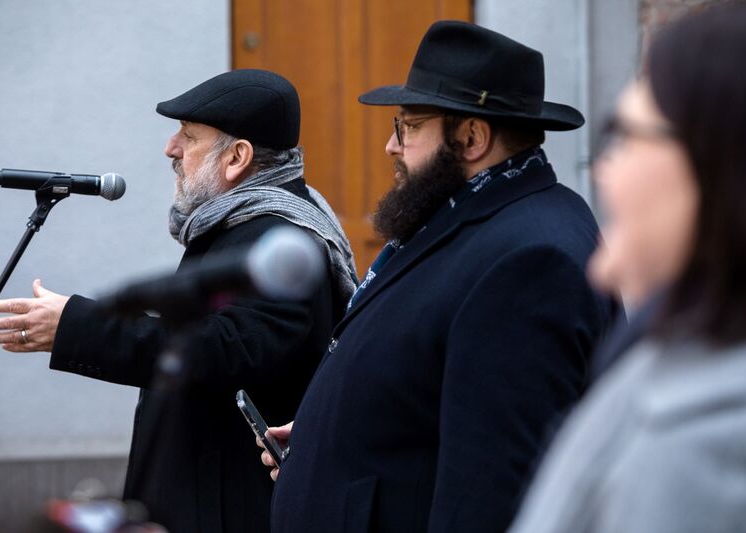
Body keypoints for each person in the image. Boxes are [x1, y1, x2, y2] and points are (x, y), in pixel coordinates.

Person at [262, 21, 620, 532]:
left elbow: (491, 495)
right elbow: (433, 382)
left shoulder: (529, 261)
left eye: (407, 127)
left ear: (471, 137)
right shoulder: (473, 215)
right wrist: (332, 433)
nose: (391, 146)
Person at [0, 69, 357, 533]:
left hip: (228, 507)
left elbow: (225, 348)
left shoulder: (278, 239)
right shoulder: (243, 225)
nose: (170, 148)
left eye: (189, 136)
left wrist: (76, 326)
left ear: (238, 156)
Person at [508, 3, 746, 532]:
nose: (604, 166)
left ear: (716, 164)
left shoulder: (709, 441)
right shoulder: (672, 359)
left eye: (622, 134)